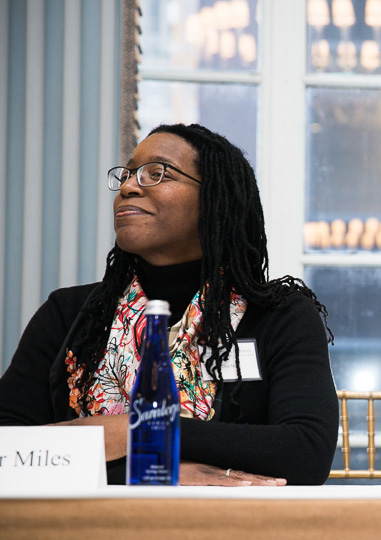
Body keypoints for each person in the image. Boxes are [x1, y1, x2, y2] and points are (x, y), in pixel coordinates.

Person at [0, 123, 339, 486]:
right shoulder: (68, 313)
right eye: (128, 174)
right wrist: (161, 473)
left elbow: (306, 453)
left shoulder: (279, 315)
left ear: (214, 199)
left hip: (235, 536)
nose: (129, 186)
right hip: (84, 535)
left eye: (156, 173)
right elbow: (8, 448)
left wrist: (131, 433)